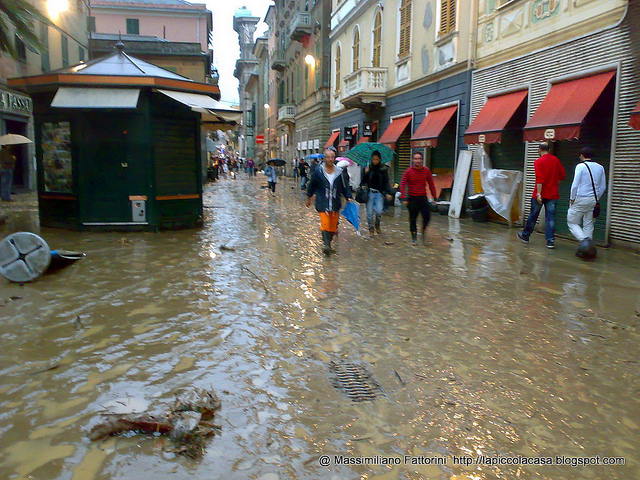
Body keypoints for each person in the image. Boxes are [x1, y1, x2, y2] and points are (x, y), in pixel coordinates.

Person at [518, 141, 566, 249]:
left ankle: (525, 236)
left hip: (539, 194)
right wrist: (554, 184)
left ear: (539, 149)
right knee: (551, 218)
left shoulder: (538, 161)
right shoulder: (556, 160)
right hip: (552, 194)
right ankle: (550, 241)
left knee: (533, 215)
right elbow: (562, 176)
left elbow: (540, 179)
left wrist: (539, 194)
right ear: (549, 149)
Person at [306, 147, 352, 255]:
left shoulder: (340, 172)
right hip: (323, 201)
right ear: (324, 159)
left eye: (332, 157)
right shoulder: (319, 171)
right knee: (325, 223)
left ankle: (329, 243)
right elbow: (312, 184)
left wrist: (348, 197)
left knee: (333, 225)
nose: (330, 159)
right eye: (328, 157)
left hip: (335, 202)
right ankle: (326, 245)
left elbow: (345, 187)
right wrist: (309, 196)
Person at [567, 146, 606, 250]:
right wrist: (596, 198)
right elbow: (603, 187)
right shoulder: (600, 167)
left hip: (580, 198)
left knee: (572, 222)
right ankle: (588, 249)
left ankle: (586, 242)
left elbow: (575, 185)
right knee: (588, 224)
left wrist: (572, 198)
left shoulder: (580, 166)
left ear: (582, 155)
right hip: (593, 199)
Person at [398, 151, 438, 245]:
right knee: (413, 219)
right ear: (412, 160)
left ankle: (423, 230)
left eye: (419, 159)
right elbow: (402, 185)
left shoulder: (426, 171)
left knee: (427, 217)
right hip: (412, 198)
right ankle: (414, 238)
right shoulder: (408, 172)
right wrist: (404, 198)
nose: (418, 161)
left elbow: (431, 184)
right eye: (416, 158)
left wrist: (435, 197)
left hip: (423, 198)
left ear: (422, 160)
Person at [360, 150, 392, 237]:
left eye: (377, 159)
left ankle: (377, 224)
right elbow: (363, 182)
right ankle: (371, 228)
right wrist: (365, 174)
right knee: (369, 213)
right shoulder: (368, 168)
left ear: (380, 159)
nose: (375, 161)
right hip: (370, 193)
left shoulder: (383, 169)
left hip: (379, 194)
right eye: (373, 159)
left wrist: (388, 192)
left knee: (379, 211)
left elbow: (386, 181)